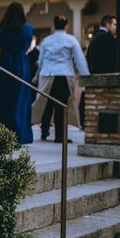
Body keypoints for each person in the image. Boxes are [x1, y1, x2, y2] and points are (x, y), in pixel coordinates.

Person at [32, 15, 90, 143]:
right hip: (64, 75)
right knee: (61, 106)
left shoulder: (46, 40)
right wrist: (86, 75)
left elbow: (40, 61)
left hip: (47, 73)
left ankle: (44, 131)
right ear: (66, 26)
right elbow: (79, 59)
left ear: (54, 25)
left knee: (47, 103)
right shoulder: (71, 39)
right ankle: (60, 136)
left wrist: (38, 74)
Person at [0, 2, 33, 144]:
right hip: (22, 64)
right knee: (21, 98)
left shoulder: (3, 29)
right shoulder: (28, 29)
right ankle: (21, 133)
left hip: (6, 64)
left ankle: (4, 131)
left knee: (4, 97)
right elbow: (28, 46)